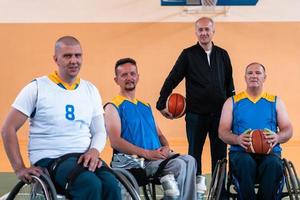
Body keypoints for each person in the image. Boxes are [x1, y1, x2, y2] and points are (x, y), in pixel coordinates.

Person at [1, 36, 121, 200]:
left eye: (78, 55)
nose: (74, 60)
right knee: (89, 184)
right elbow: (8, 128)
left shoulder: (90, 90)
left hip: (83, 158)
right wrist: (19, 168)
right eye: (67, 56)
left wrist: (94, 151)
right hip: (50, 159)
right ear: (55, 59)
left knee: (111, 184)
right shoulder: (37, 87)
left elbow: (100, 131)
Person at [104, 57, 197, 200]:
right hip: (137, 162)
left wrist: (166, 146)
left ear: (138, 77)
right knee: (179, 165)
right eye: (124, 75)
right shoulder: (112, 106)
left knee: (190, 160)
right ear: (116, 80)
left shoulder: (145, 106)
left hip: (157, 157)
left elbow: (159, 135)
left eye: (132, 73)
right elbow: (115, 142)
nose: (129, 78)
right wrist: (147, 153)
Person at [156, 17, 235, 177]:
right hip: (195, 115)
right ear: (196, 32)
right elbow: (172, 78)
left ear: (213, 31)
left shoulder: (223, 54)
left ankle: (220, 193)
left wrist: (233, 112)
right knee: (194, 155)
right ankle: (195, 191)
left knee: (220, 155)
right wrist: (161, 103)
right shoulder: (188, 54)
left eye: (207, 29)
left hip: (219, 116)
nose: (204, 33)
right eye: (200, 30)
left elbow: (230, 85)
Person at [218, 62, 293, 199]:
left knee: (274, 164)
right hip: (240, 153)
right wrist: (237, 139)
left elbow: (288, 130)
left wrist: (277, 137)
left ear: (264, 77)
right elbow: (222, 131)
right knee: (245, 162)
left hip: (270, 153)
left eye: (258, 73)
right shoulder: (232, 101)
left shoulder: (275, 101)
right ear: (245, 77)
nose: (254, 76)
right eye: (250, 73)